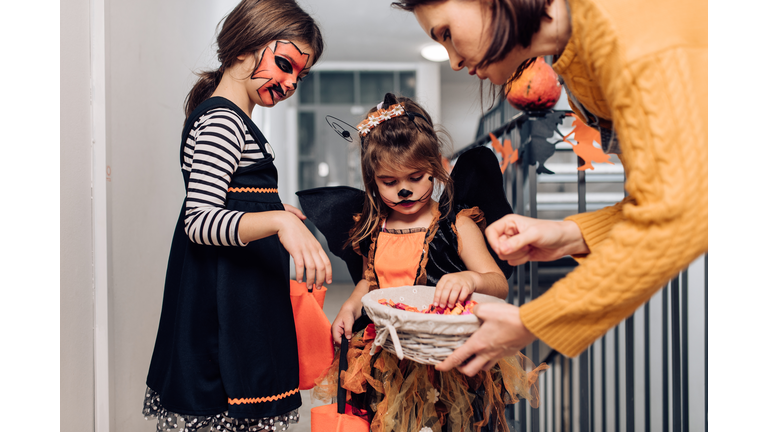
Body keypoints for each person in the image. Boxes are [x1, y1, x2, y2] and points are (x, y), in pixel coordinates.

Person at [393, 0, 707, 376]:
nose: (454, 62)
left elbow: (683, 211)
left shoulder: (625, 36)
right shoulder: (580, 66)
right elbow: (686, 192)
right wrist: (572, 234)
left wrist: (533, 321)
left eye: (446, 33)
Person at [305, 93, 546, 432]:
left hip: (446, 358)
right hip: (387, 355)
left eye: (416, 177)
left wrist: (472, 280)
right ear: (372, 180)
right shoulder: (374, 227)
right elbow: (370, 282)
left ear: (435, 168)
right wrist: (348, 307)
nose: (404, 190)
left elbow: (498, 283)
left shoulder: (456, 223)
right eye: (390, 182)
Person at [142, 1, 332, 430]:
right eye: (284, 64)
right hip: (222, 313)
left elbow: (231, 197)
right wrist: (279, 223)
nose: (289, 84)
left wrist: (269, 207)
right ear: (243, 47)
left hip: (242, 300)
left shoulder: (234, 120)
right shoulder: (223, 120)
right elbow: (201, 221)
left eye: (298, 76)